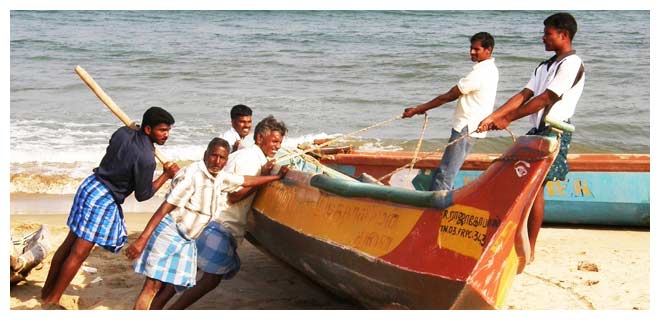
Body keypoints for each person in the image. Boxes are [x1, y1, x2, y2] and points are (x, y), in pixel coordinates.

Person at [126, 137, 288, 310]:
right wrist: (142, 239)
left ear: (227, 160)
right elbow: (164, 208)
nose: (217, 161)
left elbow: (245, 181)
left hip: (186, 240)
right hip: (170, 233)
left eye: (222, 158)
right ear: (205, 154)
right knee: (152, 287)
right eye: (213, 156)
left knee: (166, 284)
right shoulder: (193, 175)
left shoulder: (218, 176)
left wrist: (274, 177)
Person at [41, 106, 180, 307]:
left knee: (69, 242)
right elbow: (143, 195)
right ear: (148, 129)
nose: (166, 135)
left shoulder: (123, 132)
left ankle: (47, 292)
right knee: (79, 252)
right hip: (102, 198)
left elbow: (125, 144)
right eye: (161, 130)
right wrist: (166, 175)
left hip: (90, 186)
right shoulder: (146, 159)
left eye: (168, 130)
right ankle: (52, 300)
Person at [476, 12, 585, 262]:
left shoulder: (571, 64)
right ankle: (520, 240)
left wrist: (508, 119)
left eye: (547, 33)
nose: (542, 38)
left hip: (554, 131)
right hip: (537, 132)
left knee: (535, 189)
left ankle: (529, 249)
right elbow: (524, 95)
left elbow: (546, 98)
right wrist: (493, 117)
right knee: (525, 185)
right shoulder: (545, 65)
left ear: (564, 35)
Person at [402, 32, 499, 191]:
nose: (472, 52)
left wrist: (418, 109)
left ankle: (436, 210)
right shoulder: (490, 69)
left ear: (488, 50)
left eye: (477, 49)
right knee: (447, 170)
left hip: (466, 126)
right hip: (470, 126)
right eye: (471, 48)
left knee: (445, 173)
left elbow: (448, 97)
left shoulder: (480, 73)